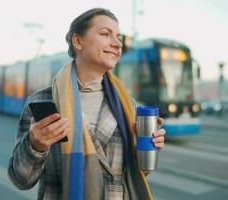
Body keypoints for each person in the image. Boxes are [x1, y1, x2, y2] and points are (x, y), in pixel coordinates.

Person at [8, 8, 165, 200]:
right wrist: (35, 146)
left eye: (118, 37)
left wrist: (148, 147)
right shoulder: (42, 101)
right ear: (78, 41)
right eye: (105, 34)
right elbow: (20, 180)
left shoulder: (128, 106)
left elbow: (135, 174)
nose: (117, 44)